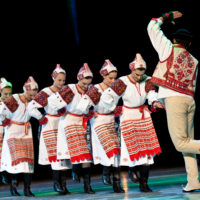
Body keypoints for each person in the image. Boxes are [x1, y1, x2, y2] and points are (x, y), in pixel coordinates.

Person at [147, 11, 200, 192]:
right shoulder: (194, 60)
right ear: (189, 43)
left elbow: (151, 27)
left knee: (180, 144)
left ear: (175, 40)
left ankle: (193, 180)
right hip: (189, 101)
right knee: (188, 144)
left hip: (176, 101)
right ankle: (193, 181)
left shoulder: (168, 49)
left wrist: (166, 17)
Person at [99, 53, 163, 192]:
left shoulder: (147, 80)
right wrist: (113, 108)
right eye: (137, 74)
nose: (139, 77)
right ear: (132, 70)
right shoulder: (123, 81)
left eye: (142, 74)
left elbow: (151, 94)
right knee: (130, 150)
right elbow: (106, 96)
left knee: (147, 152)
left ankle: (144, 184)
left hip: (143, 116)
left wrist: (155, 102)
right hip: (128, 116)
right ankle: (127, 174)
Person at [76, 59, 124, 193]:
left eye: (114, 78)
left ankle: (115, 183)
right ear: (103, 76)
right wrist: (90, 112)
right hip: (99, 122)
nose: (112, 80)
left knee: (117, 152)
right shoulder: (95, 89)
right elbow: (81, 107)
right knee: (111, 149)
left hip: (112, 121)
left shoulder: (116, 87)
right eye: (110, 78)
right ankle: (97, 178)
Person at [48, 63, 95, 194]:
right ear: (79, 78)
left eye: (88, 83)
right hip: (68, 121)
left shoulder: (90, 90)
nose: (86, 86)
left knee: (86, 156)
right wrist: (60, 107)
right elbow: (51, 101)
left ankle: (87, 185)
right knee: (66, 154)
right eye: (84, 83)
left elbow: (88, 106)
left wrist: (88, 112)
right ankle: (62, 183)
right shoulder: (70, 89)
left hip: (81, 122)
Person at [27, 64, 71, 195]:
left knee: (64, 154)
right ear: (53, 78)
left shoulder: (66, 91)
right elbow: (31, 107)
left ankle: (63, 183)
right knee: (55, 154)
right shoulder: (46, 92)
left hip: (63, 122)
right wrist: (41, 118)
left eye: (63, 80)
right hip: (51, 123)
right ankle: (57, 183)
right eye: (59, 80)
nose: (61, 83)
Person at [0, 76, 38, 197]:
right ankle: (13, 185)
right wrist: (3, 121)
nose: (32, 98)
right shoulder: (15, 99)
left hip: (26, 131)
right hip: (13, 130)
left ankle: (27, 189)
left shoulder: (32, 101)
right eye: (31, 95)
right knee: (16, 162)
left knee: (28, 161)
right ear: (25, 90)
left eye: (34, 95)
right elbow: (1, 111)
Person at [0, 78, 12, 184]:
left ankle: (12, 182)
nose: (8, 96)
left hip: (10, 131)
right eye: (5, 94)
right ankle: (3, 174)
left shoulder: (12, 103)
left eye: (9, 93)